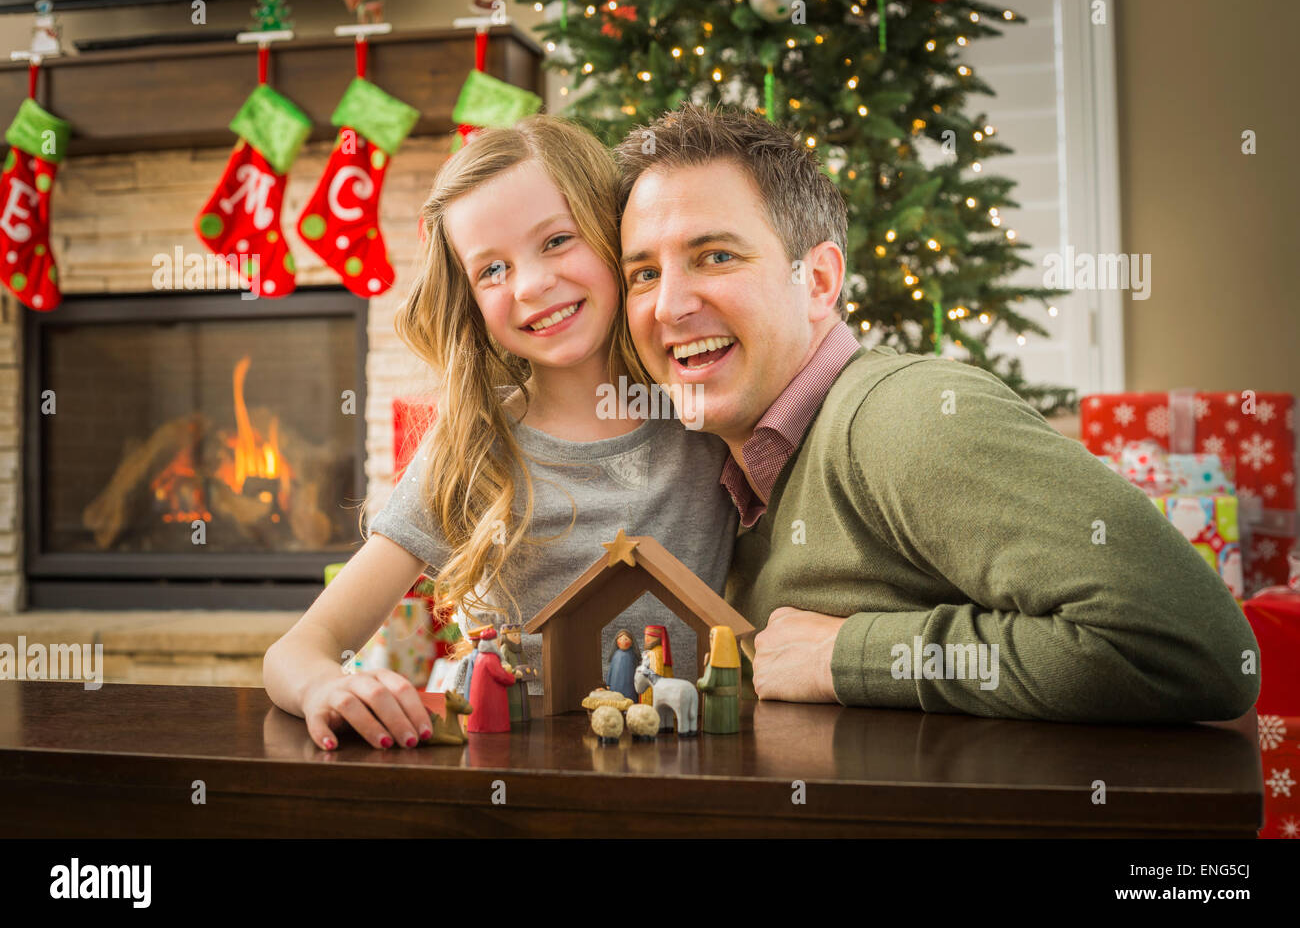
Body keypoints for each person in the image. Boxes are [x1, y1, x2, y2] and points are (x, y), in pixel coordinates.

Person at [613, 102, 1261, 723]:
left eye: (716, 256)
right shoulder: (726, 478)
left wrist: (850, 657)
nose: (668, 306)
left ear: (816, 282)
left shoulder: (907, 419)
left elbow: (1194, 648)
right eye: (643, 274)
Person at [263, 114, 738, 750]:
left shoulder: (708, 414)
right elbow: (298, 650)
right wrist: (323, 685)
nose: (532, 285)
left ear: (611, 231)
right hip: (513, 779)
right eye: (492, 270)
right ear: (469, 298)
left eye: (556, 241)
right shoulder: (474, 446)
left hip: (681, 774)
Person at [466, 628, 515, 734]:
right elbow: (500, 675)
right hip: (490, 698)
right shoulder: (490, 658)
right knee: (490, 716)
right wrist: (512, 677)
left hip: (483, 697)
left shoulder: (480, 656)